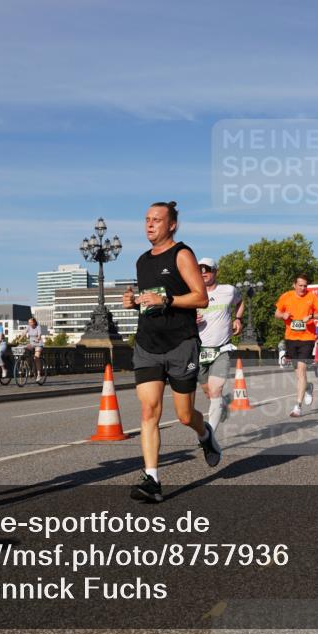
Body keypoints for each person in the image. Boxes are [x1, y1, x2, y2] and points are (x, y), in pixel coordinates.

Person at [122, 201, 220, 503]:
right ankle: (152, 479)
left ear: (172, 225)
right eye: (147, 219)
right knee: (148, 410)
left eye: (157, 220)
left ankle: (205, 434)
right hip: (148, 344)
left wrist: (165, 301)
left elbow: (200, 298)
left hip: (181, 344)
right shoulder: (141, 261)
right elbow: (150, 299)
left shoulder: (182, 254)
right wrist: (134, 302)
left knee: (184, 415)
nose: (150, 225)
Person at [195, 257, 243, 432]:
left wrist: (238, 319)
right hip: (200, 350)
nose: (203, 273)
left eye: (207, 269)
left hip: (222, 349)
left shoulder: (228, 291)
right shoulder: (193, 294)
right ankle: (223, 405)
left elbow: (240, 301)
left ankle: (210, 435)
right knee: (209, 393)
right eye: (200, 270)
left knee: (215, 390)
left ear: (215, 272)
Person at [275, 274, 318, 417]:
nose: (303, 288)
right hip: (290, 339)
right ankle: (308, 387)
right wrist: (283, 315)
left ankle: (297, 406)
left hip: (307, 339)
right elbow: (277, 313)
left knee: (302, 370)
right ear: (294, 285)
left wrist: (311, 316)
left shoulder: (311, 297)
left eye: (305, 285)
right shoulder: (286, 296)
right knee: (298, 374)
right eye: (300, 285)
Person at [25, 316, 45, 381]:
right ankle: (30, 370)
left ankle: (39, 375)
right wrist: (19, 339)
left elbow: (39, 335)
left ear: (34, 322)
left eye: (31, 322)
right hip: (32, 344)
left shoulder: (38, 327)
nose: (29, 323)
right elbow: (24, 333)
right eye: (29, 322)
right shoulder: (28, 327)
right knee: (25, 352)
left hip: (38, 343)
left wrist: (38, 339)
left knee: (36, 358)